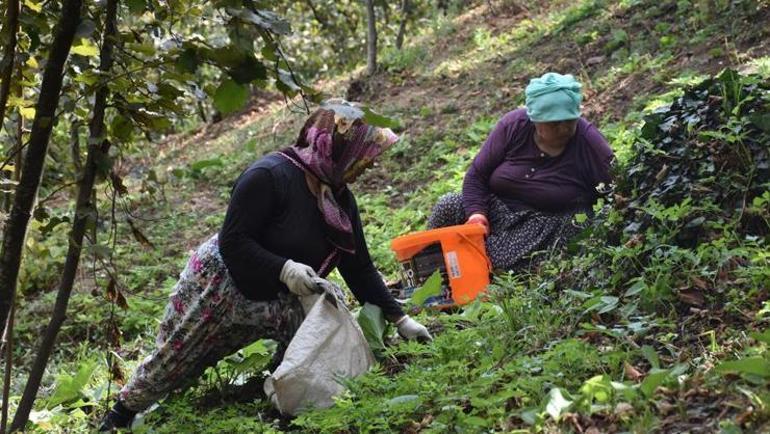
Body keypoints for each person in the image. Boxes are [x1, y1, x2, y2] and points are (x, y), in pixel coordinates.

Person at [99, 100, 431, 431]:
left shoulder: (338, 198)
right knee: (175, 363)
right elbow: (235, 243)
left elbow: (357, 265)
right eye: (364, 155)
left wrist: (400, 319)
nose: (369, 165)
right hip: (220, 286)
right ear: (336, 146)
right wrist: (284, 268)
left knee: (323, 315)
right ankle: (119, 416)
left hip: (275, 296)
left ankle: (285, 393)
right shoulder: (269, 176)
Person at [428, 72, 614, 271]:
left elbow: (615, 190)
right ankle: (428, 276)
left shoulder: (589, 142)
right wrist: (477, 214)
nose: (564, 129)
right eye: (554, 123)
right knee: (446, 206)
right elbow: (477, 175)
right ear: (535, 120)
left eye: (569, 121)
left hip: (545, 223)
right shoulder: (513, 126)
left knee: (500, 256)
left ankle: (471, 270)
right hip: (497, 210)